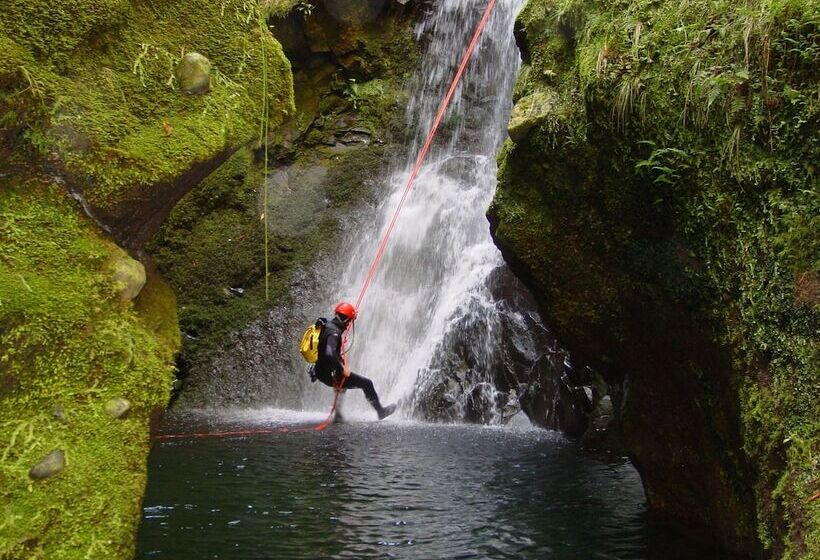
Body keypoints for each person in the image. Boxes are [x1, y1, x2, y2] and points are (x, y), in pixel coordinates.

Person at [314, 302, 396, 420]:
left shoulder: (327, 324)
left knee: (343, 383)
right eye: (350, 321)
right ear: (346, 320)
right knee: (367, 383)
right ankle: (380, 411)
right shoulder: (335, 333)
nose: (349, 325)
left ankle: (338, 414)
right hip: (328, 373)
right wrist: (342, 369)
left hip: (320, 369)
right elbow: (329, 353)